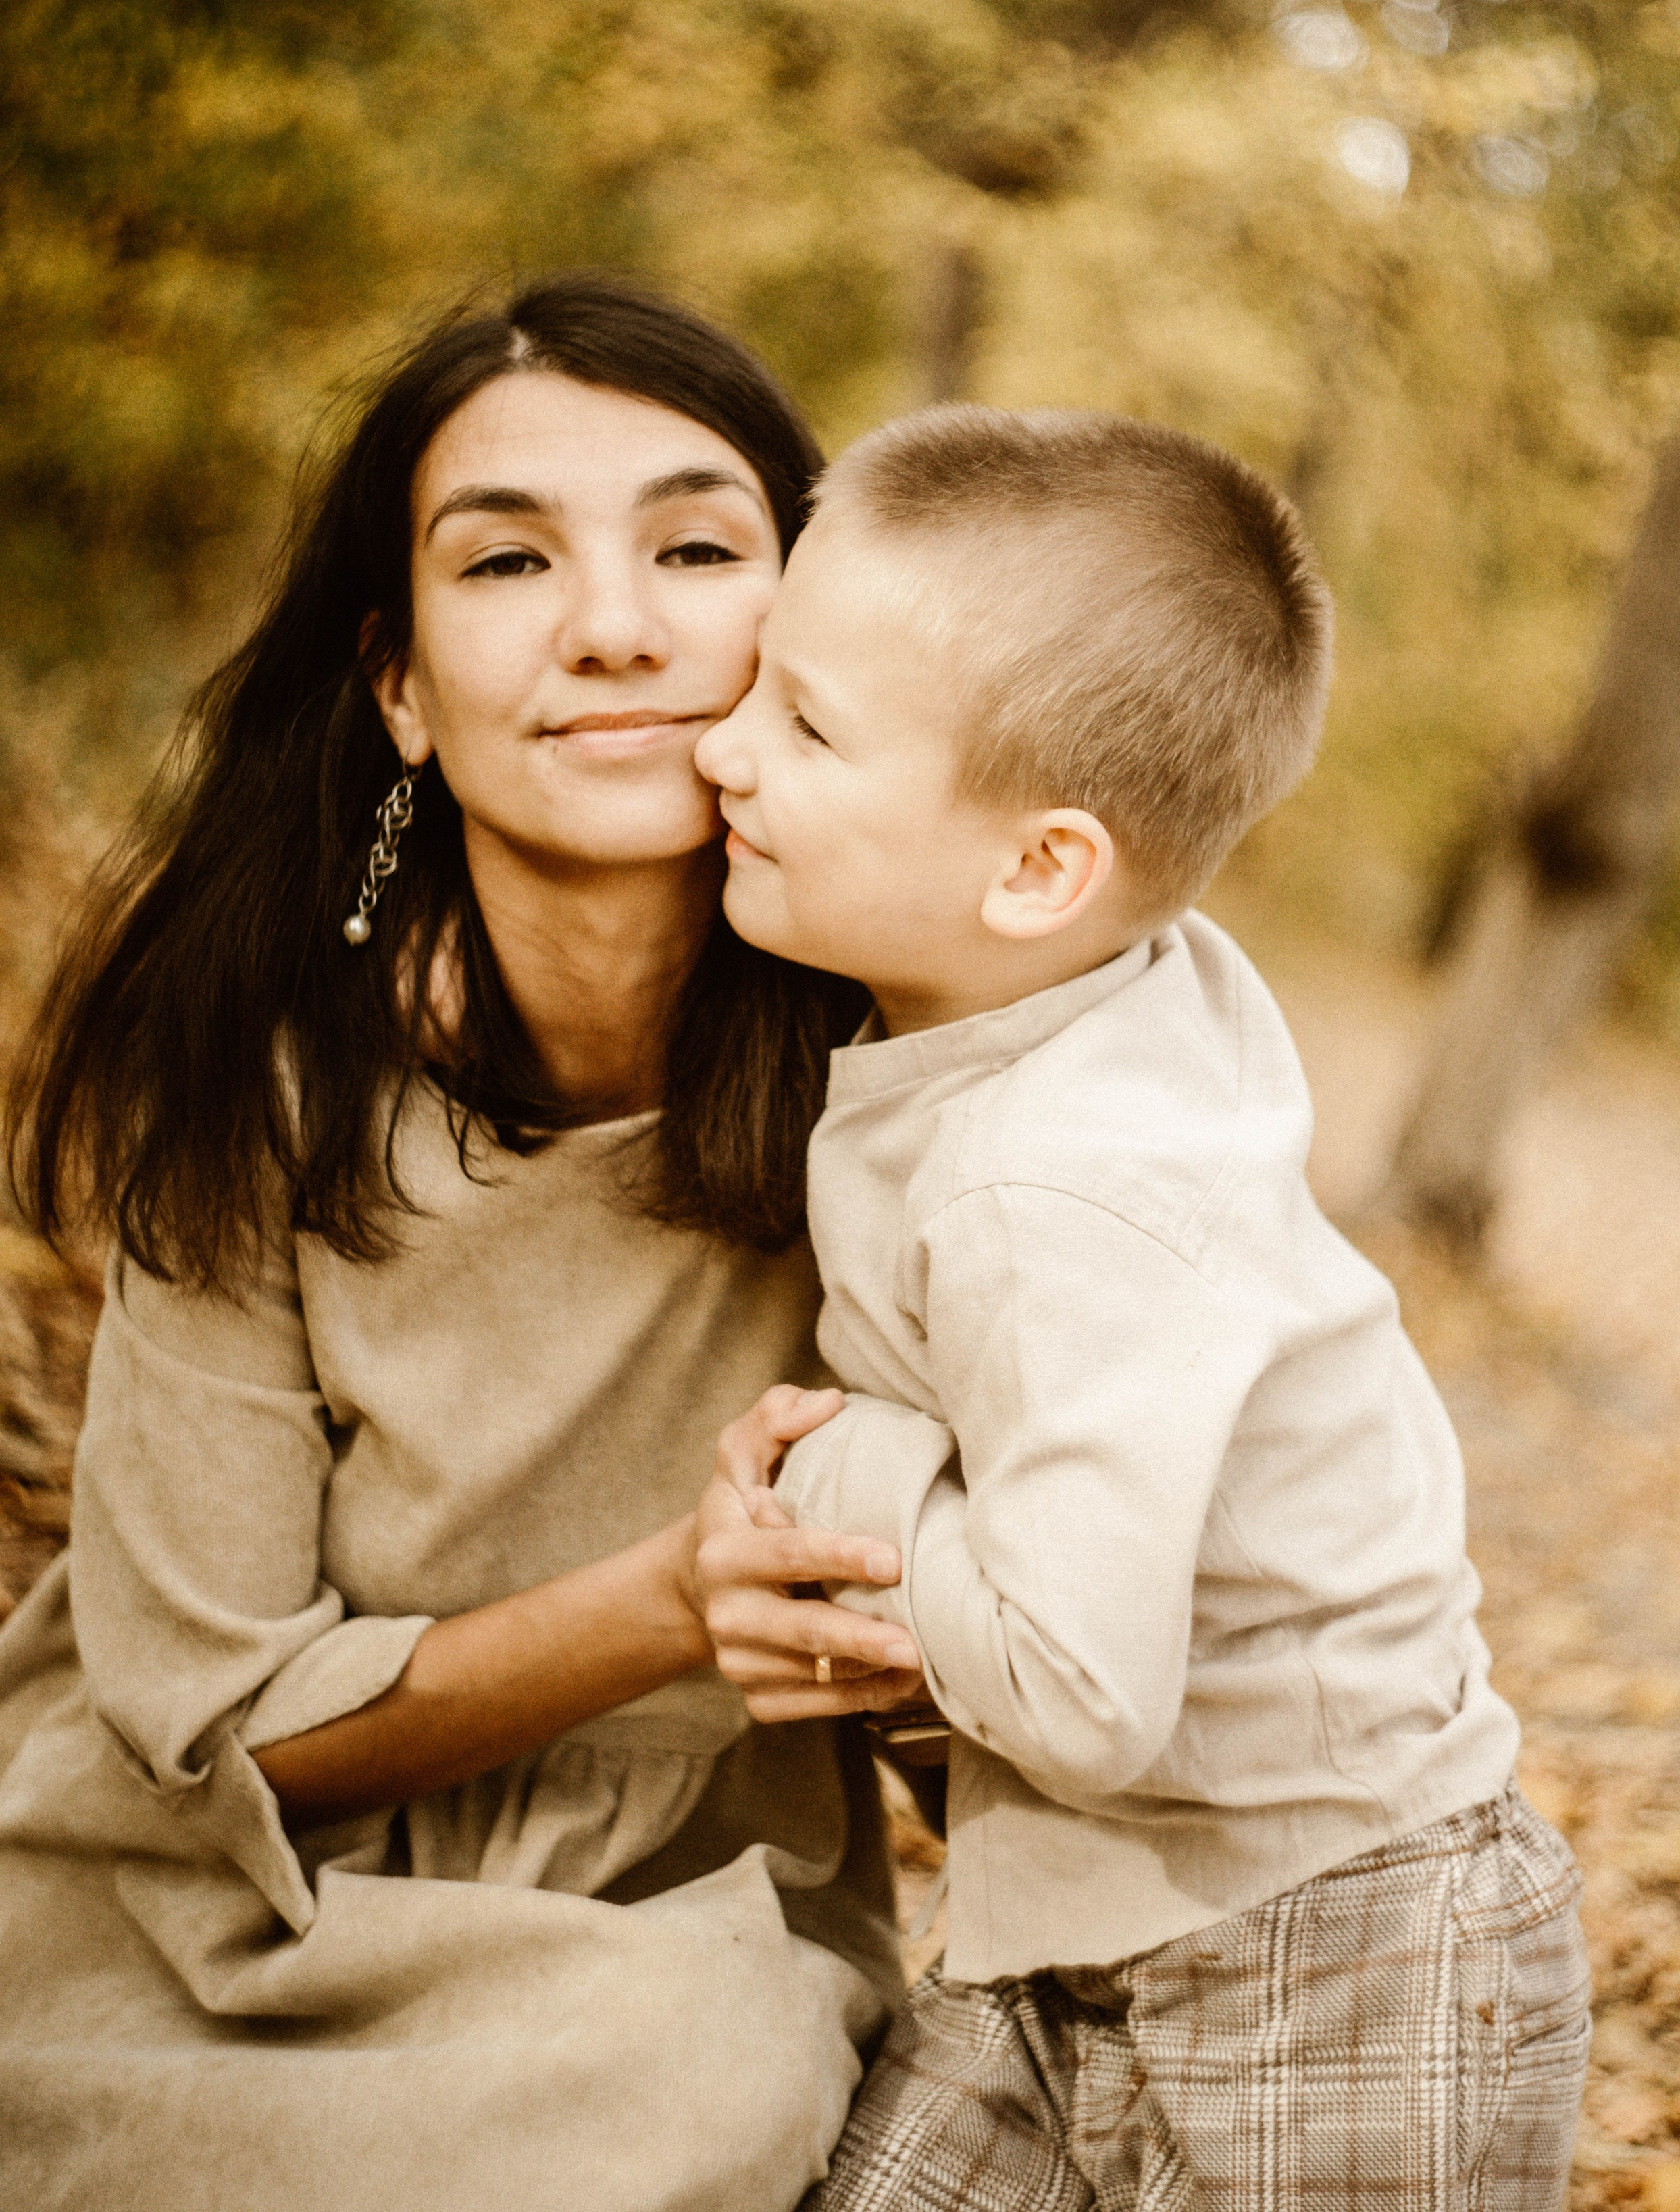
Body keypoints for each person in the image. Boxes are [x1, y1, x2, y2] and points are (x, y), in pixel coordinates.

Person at [0, 276, 928, 2212]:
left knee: (688, 2075)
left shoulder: (928, 1067)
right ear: (403, 688)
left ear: (812, 624)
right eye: (507, 562)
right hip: (194, 1905)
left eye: (696, 548)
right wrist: (672, 1604)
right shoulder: (252, 1078)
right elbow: (214, 1733)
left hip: (665, 1945)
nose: (612, 628)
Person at [691, 405, 1592, 2211]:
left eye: (805, 725)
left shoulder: (1063, 1179)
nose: (722, 747)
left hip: (1339, 1940)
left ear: (1041, 871)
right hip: (1072, 1908)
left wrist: (851, 1476)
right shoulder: (1096, 985)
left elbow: (1085, 1688)